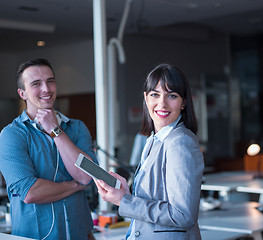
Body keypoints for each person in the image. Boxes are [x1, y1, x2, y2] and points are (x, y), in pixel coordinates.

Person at [94, 63, 204, 239]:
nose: (162, 103)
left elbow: (183, 215)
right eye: (155, 94)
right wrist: (125, 193)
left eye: (172, 96)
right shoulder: (154, 140)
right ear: (146, 99)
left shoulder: (180, 143)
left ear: (183, 103)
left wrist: (124, 201)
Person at [0, 58, 97, 240]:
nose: (46, 89)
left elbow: (86, 175)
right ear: (22, 93)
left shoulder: (77, 128)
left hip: (81, 235)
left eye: (50, 81)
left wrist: (56, 131)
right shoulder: (11, 135)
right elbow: (30, 192)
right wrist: (75, 186)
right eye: (36, 84)